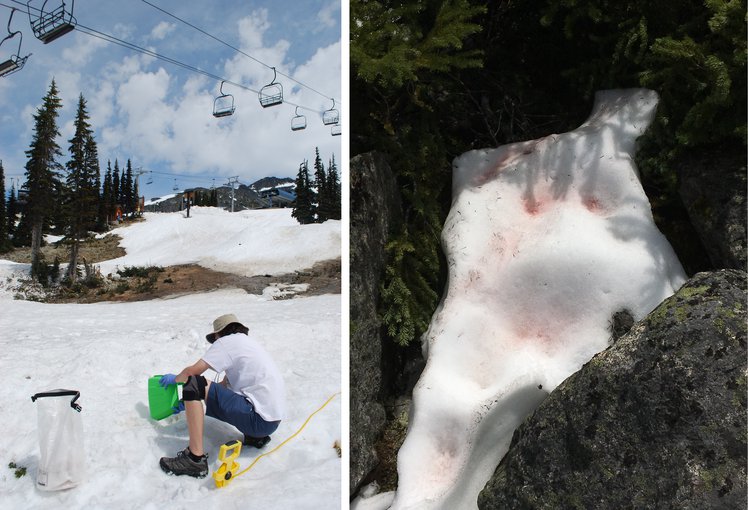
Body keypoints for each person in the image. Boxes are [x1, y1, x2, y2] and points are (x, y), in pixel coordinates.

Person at [159, 313, 286, 478]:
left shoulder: (227, 342)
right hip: (271, 423)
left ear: (220, 333)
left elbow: (192, 373)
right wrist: (190, 400)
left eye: (215, 338)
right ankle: (255, 437)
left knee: (193, 383)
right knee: (196, 387)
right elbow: (222, 387)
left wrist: (176, 381)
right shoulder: (248, 345)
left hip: (257, 420)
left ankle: (194, 459)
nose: (215, 342)